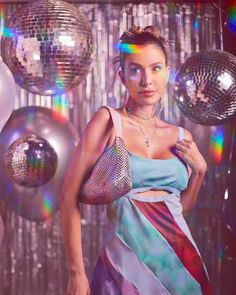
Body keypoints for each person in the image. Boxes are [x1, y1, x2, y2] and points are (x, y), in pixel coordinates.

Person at [60, 25, 212, 295]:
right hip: (124, 272)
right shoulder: (107, 122)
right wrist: (76, 272)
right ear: (122, 76)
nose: (147, 80)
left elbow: (178, 213)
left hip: (183, 271)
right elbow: (68, 195)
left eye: (155, 68)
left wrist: (199, 172)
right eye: (135, 70)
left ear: (167, 71)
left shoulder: (180, 136)